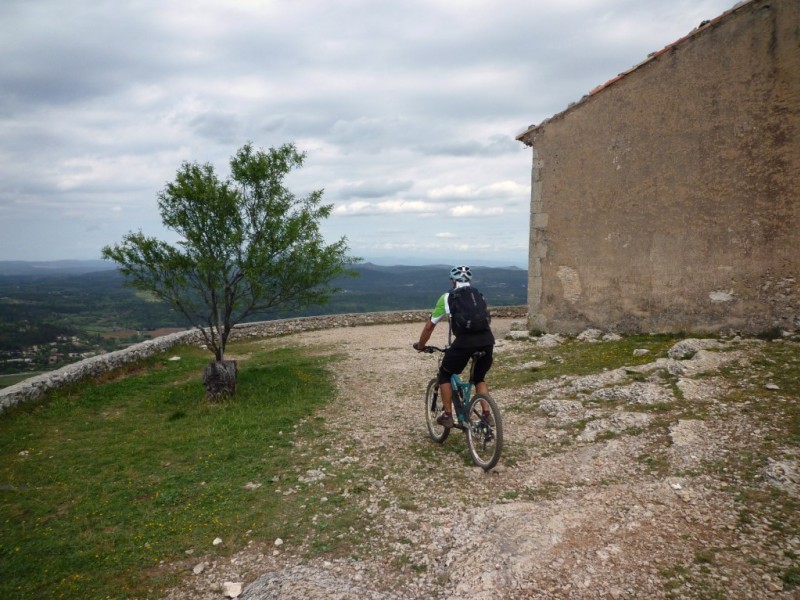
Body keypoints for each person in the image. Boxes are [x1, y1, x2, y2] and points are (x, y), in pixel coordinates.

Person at [414, 265, 495, 428]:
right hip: (487, 341)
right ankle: (487, 414)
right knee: (479, 378)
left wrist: (421, 345)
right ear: (469, 281)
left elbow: (429, 326)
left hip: (464, 342)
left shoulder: (447, 297)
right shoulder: (479, 294)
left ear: (453, 281)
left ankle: (448, 415)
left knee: (445, 373)